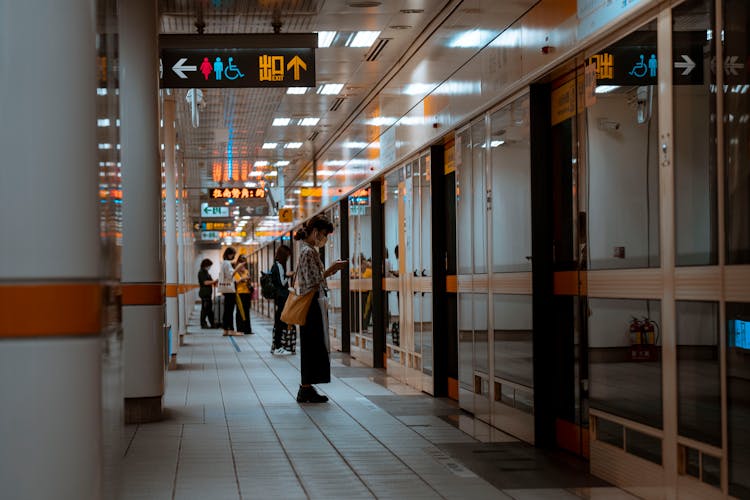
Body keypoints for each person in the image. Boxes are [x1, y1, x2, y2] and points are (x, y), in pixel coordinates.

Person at [294, 215, 347, 403]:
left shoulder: (307, 250)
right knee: (312, 345)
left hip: (313, 303)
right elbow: (313, 281)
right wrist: (331, 270)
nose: (324, 239)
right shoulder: (308, 252)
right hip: (311, 305)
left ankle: (307, 387)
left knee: (312, 346)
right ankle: (305, 388)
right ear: (316, 232)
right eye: (324, 234)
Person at [271, 244, 293, 354]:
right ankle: (278, 346)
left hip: (279, 296)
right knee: (280, 321)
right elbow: (282, 282)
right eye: (287, 256)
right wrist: (288, 275)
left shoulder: (276, 265)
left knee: (279, 320)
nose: (288, 258)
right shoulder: (279, 265)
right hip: (281, 296)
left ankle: (277, 345)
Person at [217, 247, 238, 336]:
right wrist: (237, 268)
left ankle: (226, 329)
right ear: (229, 254)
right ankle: (231, 329)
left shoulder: (223, 263)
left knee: (227, 310)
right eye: (233, 254)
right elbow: (230, 276)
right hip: (230, 290)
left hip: (226, 290)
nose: (233, 256)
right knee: (230, 310)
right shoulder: (227, 263)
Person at [233, 254, 253, 335]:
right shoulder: (236, 272)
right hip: (239, 293)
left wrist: (248, 279)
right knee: (240, 311)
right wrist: (243, 278)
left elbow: (248, 281)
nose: (243, 265)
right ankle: (240, 329)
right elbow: (236, 281)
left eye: (244, 263)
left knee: (247, 311)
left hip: (247, 293)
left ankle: (247, 330)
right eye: (241, 263)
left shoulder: (246, 271)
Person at [198, 258, 217, 328]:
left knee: (209, 310)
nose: (210, 267)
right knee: (205, 310)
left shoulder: (206, 272)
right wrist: (214, 282)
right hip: (204, 294)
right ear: (206, 265)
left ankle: (212, 324)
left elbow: (210, 281)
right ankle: (203, 324)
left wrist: (213, 282)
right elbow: (205, 282)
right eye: (209, 266)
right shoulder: (201, 272)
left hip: (208, 294)